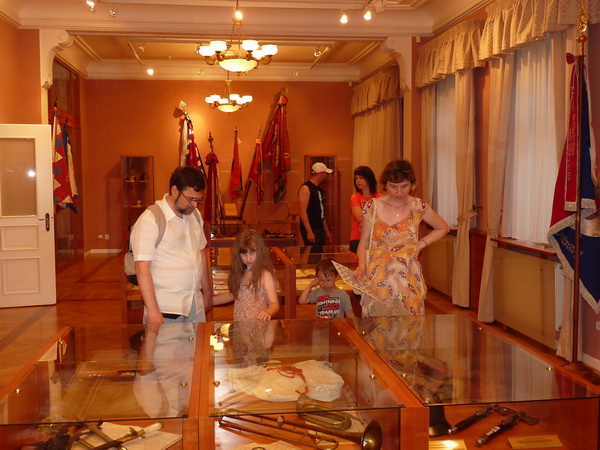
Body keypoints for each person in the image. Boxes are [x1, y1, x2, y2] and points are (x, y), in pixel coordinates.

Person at [356, 160, 449, 316]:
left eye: (404, 186)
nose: (399, 192)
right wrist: (361, 266)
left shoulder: (418, 206)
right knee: (379, 323)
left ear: (411, 184)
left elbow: (443, 227)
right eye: (393, 187)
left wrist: (421, 244)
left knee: (410, 324)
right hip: (378, 275)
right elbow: (364, 242)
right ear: (385, 185)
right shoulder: (373, 206)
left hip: (408, 275)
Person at [130, 166, 212, 324]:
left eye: (198, 200)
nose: (195, 205)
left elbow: (200, 255)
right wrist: (153, 311)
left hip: (195, 304)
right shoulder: (150, 219)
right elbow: (142, 268)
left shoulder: (194, 215)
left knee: (197, 342)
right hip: (166, 309)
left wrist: (207, 292)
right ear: (175, 190)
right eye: (191, 199)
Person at [213, 229, 280, 321]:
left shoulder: (265, 275)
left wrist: (268, 312)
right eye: (244, 254)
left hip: (257, 325)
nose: (248, 258)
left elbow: (274, 303)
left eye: (252, 253)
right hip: (240, 324)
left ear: (260, 252)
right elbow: (233, 294)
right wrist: (210, 301)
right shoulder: (241, 273)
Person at [349, 166, 382, 254]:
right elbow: (360, 218)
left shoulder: (380, 197)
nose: (358, 181)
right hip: (358, 237)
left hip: (376, 238)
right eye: (356, 178)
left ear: (369, 178)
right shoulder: (355, 197)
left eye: (361, 178)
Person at [298, 162, 332, 246]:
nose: (326, 176)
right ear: (321, 173)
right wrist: (309, 231)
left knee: (321, 251)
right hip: (311, 227)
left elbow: (321, 212)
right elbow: (302, 211)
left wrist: (327, 231)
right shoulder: (306, 188)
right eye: (325, 174)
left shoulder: (319, 189)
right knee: (313, 252)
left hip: (319, 227)